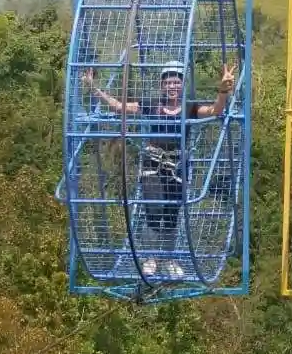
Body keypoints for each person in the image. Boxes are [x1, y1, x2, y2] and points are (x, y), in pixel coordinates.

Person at [82, 59, 236, 279]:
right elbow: (118, 106)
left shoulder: (189, 107)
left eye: (176, 82)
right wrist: (93, 88)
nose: (172, 86)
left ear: (182, 85)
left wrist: (223, 89)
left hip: (177, 166)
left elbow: (215, 110)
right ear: (162, 85)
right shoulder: (152, 104)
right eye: (168, 82)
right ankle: (151, 258)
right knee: (153, 210)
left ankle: (169, 259)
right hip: (153, 164)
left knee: (171, 214)